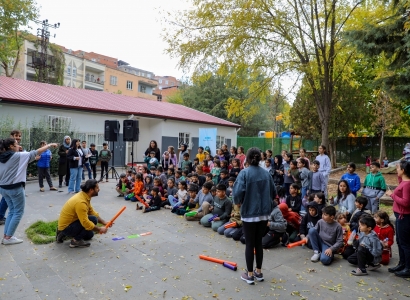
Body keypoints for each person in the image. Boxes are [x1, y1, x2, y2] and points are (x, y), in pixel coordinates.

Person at [0, 138, 58, 245]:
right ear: (11, 147)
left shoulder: (3, 157)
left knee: (12, 211)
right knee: (18, 212)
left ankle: (6, 236)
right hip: (15, 188)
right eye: (16, 144)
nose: (19, 145)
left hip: (3, 188)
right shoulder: (18, 156)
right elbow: (36, 152)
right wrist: (49, 145)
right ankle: (8, 237)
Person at [232, 147, 276, 285]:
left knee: (250, 244)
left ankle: (249, 275)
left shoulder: (244, 173)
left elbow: (237, 193)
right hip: (264, 214)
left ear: (248, 159)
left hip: (249, 214)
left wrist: (238, 203)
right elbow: (273, 192)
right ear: (260, 158)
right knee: (258, 243)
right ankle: (259, 272)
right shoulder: (266, 174)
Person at [56, 179, 108, 248]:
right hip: (67, 227)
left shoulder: (84, 195)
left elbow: (91, 212)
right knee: (93, 220)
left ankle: (62, 232)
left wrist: (104, 222)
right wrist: (99, 229)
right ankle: (75, 241)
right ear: (91, 190)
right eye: (97, 188)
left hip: (69, 223)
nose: (99, 189)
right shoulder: (81, 202)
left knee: (90, 235)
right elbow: (85, 223)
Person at [385, 160, 410, 278]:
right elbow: (401, 182)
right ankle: (402, 263)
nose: (397, 169)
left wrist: (392, 194)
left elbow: (406, 202)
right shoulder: (404, 181)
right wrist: (398, 172)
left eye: (398, 168)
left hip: (404, 217)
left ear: (404, 170)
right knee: (400, 241)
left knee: (405, 243)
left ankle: (408, 268)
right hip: (399, 215)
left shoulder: (408, 185)